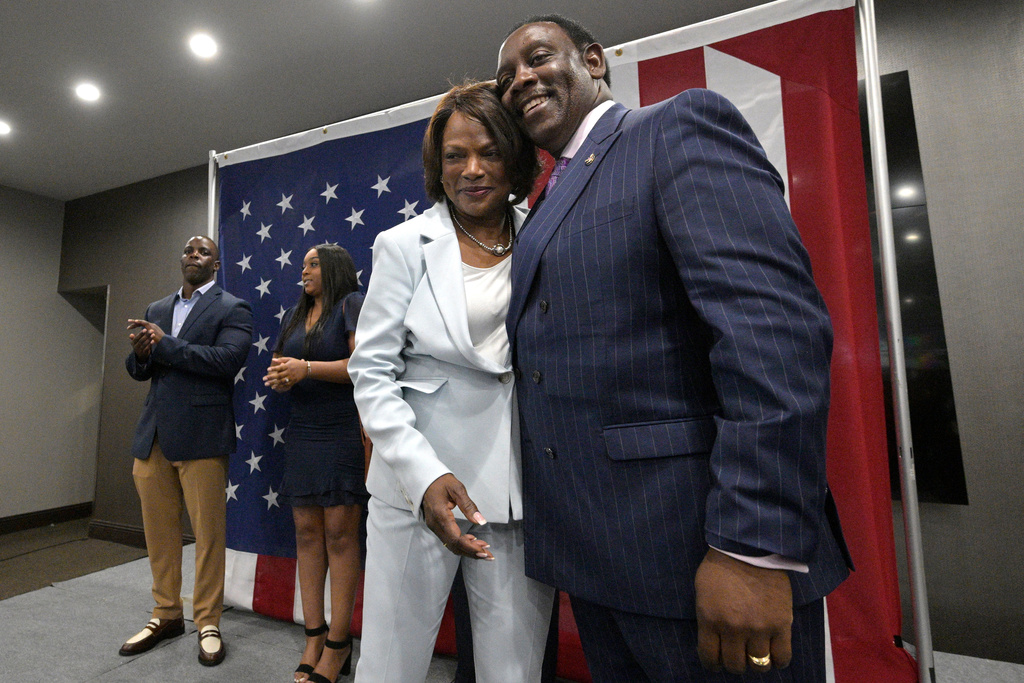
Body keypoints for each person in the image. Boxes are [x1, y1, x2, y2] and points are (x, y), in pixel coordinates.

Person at [495, 15, 853, 682]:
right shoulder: (547, 199)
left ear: (595, 61)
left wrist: (754, 548)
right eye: (506, 77)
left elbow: (771, 333)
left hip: (702, 558)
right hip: (601, 564)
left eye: (538, 58)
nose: (520, 80)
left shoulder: (675, 128)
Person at [348, 81, 554, 682]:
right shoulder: (404, 245)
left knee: (512, 670)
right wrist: (423, 473)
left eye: (488, 152)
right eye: (454, 157)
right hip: (418, 486)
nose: (471, 170)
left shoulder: (544, 232)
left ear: (514, 157)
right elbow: (372, 371)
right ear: (437, 169)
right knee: (391, 665)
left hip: (517, 489)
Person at [121, 235, 252, 667]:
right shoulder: (157, 309)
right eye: (188, 251)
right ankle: (166, 613)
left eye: (203, 253)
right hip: (154, 434)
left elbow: (226, 361)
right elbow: (142, 370)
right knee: (159, 535)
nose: (193, 256)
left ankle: (208, 620)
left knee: (208, 535)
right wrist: (141, 355)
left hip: (202, 435)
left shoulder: (233, 308)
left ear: (216, 265)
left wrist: (166, 345)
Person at [263, 244, 368, 683]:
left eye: (312, 263)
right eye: (302, 264)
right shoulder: (294, 313)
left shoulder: (351, 304)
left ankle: (340, 646)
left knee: (341, 537)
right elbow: (285, 365)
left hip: (342, 430)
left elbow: (364, 365)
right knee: (306, 534)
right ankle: (314, 636)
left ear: (334, 268)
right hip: (303, 432)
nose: (302, 270)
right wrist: (282, 378)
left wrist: (305, 368)